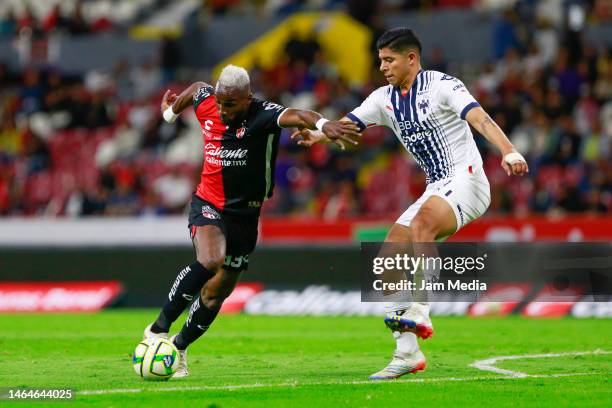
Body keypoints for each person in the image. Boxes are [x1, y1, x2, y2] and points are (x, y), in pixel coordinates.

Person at [292, 28, 528, 380]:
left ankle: (420, 309)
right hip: (437, 187)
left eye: (389, 60)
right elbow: (348, 125)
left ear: (411, 59)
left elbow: (480, 119)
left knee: (422, 225)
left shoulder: (442, 85)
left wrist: (508, 150)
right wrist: (317, 134)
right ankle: (406, 353)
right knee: (387, 259)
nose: (383, 67)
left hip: (468, 181)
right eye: (380, 61)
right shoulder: (383, 99)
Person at [142, 64, 360, 377]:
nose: (221, 109)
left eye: (228, 104)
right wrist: (169, 114)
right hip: (208, 204)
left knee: (217, 292)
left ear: (247, 99)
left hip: (245, 215)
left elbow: (301, 115)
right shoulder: (209, 101)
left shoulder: (264, 115)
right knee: (209, 260)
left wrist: (324, 124)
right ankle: (157, 329)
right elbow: (195, 89)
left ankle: (177, 348)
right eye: (218, 102)